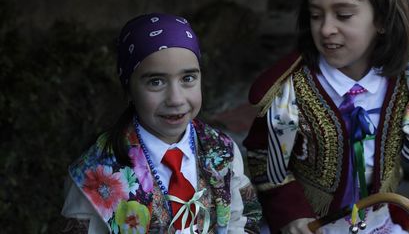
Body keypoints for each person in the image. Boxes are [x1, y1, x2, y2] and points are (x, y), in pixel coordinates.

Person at [243, 0, 409, 233]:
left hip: (380, 221)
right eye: (315, 15)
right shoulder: (289, 92)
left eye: (343, 15)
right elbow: (262, 155)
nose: (326, 29)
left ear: (382, 18)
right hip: (311, 225)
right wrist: (291, 213)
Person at [61, 13, 262, 233]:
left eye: (188, 78)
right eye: (156, 82)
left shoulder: (222, 151)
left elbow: (243, 218)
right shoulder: (94, 176)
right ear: (129, 89)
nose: (175, 99)